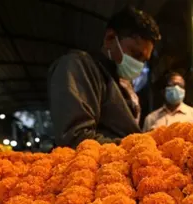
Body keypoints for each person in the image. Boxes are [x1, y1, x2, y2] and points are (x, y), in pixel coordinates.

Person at [48, 6, 161, 147]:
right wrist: (136, 147)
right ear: (110, 38)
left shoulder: (122, 82)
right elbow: (75, 138)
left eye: (144, 60)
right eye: (135, 54)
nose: (139, 64)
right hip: (95, 166)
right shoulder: (79, 66)